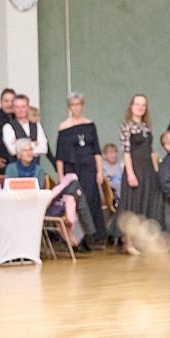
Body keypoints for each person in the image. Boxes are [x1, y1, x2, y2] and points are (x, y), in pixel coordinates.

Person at [7, 140, 96, 249]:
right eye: (25, 150)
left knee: (73, 188)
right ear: (18, 154)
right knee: (73, 188)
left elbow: (37, 189)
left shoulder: (39, 170)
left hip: (37, 205)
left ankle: (75, 226)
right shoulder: (11, 168)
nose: (29, 152)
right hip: (16, 205)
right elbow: (11, 188)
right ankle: (83, 230)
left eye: (30, 149)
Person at [55, 93, 106, 248]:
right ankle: (77, 240)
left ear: (82, 105)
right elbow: (59, 156)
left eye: (78, 104)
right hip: (72, 169)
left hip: (90, 168)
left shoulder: (90, 124)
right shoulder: (64, 127)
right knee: (76, 203)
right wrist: (60, 176)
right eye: (73, 105)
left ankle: (93, 237)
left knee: (91, 200)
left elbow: (96, 149)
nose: (76, 107)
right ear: (69, 107)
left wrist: (100, 171)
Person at [118, 94, 163, 254]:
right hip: (135, 170)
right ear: (131, 106)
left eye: (143, 105)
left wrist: (156, 171)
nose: (140, 107)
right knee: (133, 206)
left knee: (145, 204)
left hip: (148, 171)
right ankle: (129, 243)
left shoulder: (146, 127)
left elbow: (150, 151)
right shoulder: (127, 126)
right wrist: (130, 174)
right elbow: (126, 152)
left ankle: (140, 242)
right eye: (137, 104)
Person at [1, 94, 50, 160]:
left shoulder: (37, 125)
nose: (20, 110)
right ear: (13, 108)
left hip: (35, 168)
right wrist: (33, 144)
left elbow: (44, 148)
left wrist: (20, 147)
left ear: (28, 107)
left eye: (23, 106)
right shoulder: (7, 127)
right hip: (16, 168)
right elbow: (13, 151)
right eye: (17, 107)